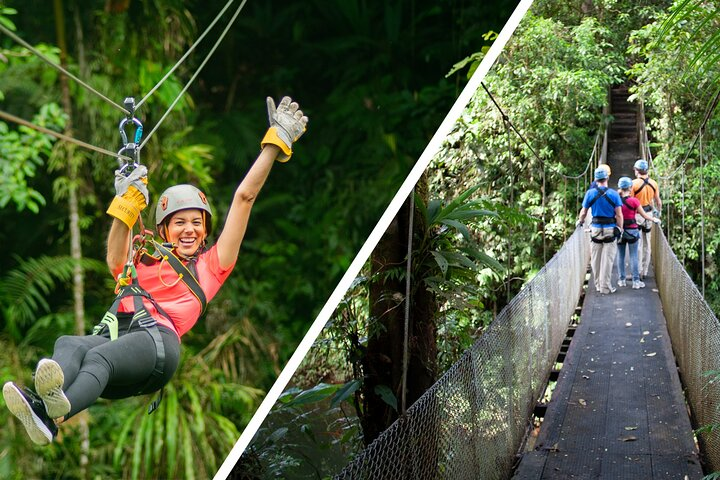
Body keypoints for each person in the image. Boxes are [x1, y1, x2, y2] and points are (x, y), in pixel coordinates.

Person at [2, 96, 308, 446]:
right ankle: (41, 410)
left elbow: (244, 197)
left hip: (156, 348)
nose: (189, 229)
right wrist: (126, 205)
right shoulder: (144, 260)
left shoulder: (213, 265)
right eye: (180, 223)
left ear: (206, 231)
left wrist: (275, 141)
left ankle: (57, 414)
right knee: (68, 343)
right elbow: (116, 259)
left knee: (99, 354)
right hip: (117, 347)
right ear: (164, 230)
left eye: (196, 223)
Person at [577, 166, 623, 295]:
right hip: (609, 229)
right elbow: (619, 215)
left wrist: (580, 222)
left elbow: (584, 212)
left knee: (596, 259)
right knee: (607, 259)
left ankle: (597, 284)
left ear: (596, 179)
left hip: (595, 229)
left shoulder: (590, 193)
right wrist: (620, 228)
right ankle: (605, 287)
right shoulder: (614, 194)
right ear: (607, 178)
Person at [615, 176, 660, 289]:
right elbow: (644, 215)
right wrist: (654, 219)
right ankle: (636, 281)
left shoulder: (615, 200)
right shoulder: (634, 201)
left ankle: (622, 280)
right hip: (632, 231)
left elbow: (614, 215)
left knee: (620, 255)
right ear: (630, 188)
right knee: (634, 255)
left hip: (620, 231)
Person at [631, 159, 662, 279]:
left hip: (638, 215)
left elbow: (631, 202)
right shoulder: (654, 183)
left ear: (637, 170)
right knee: (647, 243)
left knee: (638, 244)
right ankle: (645, 271)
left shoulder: (633, 184)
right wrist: (657, 215)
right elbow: (658, 202)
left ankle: (637, 272)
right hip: (649, 215)